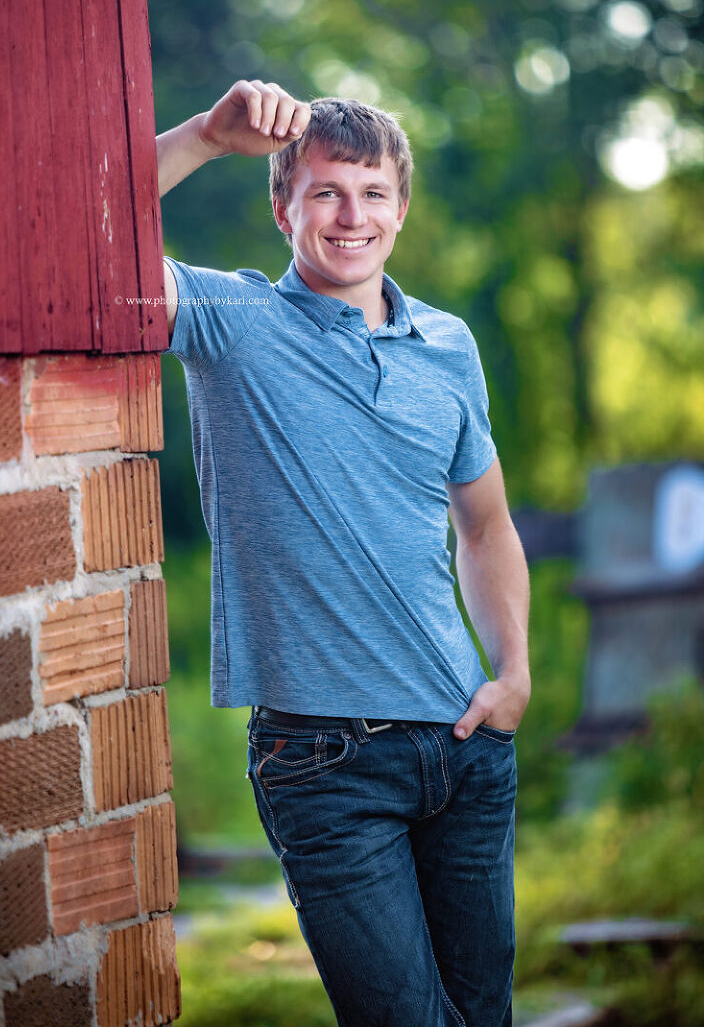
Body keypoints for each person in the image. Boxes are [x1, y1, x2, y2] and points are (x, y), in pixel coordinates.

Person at [157, 79, 530, 1027]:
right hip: (324, 762)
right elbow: (80, 232)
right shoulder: (229, 322)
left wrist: (515, 674)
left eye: (371, 193)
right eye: (324, 191)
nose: (350, 216)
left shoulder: (447, 344)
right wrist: (205, 136)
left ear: (401, 210)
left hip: (465, 747)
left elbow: (483, 525)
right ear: (283, 204)